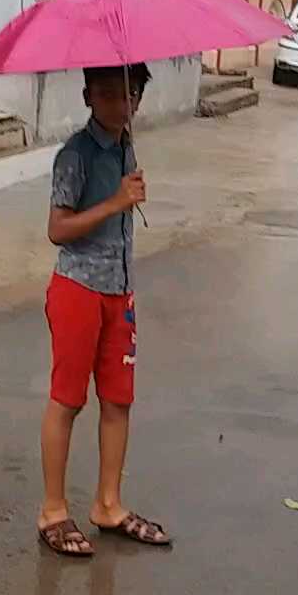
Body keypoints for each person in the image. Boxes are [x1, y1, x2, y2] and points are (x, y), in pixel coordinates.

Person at [36, 63, 172, 557]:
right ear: (89, 95)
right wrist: (116, 201)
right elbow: (58, 229)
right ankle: (53, 509)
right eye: (111, 93)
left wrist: (126, 197)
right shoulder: (74, 155)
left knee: (118, 399)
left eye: (131, 94)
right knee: (68, 399)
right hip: (77, 289)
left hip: (120, 289)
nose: (122, 103)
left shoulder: (125, 146)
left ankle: (108, 504)